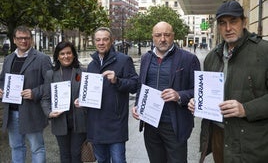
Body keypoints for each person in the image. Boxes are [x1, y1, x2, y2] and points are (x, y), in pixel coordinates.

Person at [188, 0, 268, 163]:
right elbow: (209, 93)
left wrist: (245, 109)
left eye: (233, 21)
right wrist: (198, 102)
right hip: (219, 135)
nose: (228, 28)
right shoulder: (212, 57)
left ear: (244, 22)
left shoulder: (263, 51)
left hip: (251, 141)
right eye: (223, 23)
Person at [132, 21, 201, 163]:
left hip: (174, 124)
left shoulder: (188, 59)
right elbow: (141, 84)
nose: (162, 39)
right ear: (153, 37)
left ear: (173, 36)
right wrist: (137, 105)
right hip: (150, 124)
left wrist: (179, 95)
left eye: (167, 35)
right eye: (158, 35)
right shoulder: (146, 58)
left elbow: (199, 91)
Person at [78, 27, 138, 163]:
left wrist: (118, 80)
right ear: (94, 42)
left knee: (118, 160)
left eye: (105, 39)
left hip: (115, 124)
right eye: (98, 40)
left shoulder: (124, 60)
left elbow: (135, 85)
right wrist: (82, 100)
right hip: (96, 123)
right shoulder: (92, 64)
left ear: (111, 41)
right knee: (102, 160)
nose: (101, 43)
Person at [0, 25, 52, 163]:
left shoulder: (42, 59)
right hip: (12, 112)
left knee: (37, 148)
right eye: (20, 38)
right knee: (16, 147)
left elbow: (51, 84)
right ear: (14, 40)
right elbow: (2, 80)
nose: (24, 41)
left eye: (27, 38)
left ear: (31, 40)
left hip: (32, 111)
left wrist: (35, 92)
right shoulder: (8, 58)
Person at [41, 41, 87, 163]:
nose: (66, 56)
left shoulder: (82, 72)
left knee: (76, 154)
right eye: (62, 54)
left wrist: (84, 102)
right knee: (64, 155)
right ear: (57, 56)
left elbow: (90, 96)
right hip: (60, 121)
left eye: (68, 53)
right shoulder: (50, 74)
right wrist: (49, 113)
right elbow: (45, 99)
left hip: (79, 121)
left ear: (73, 55)